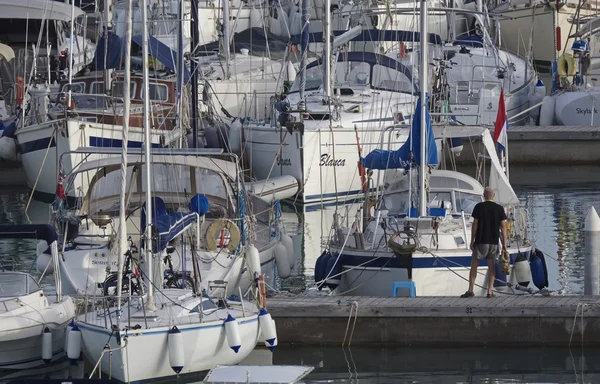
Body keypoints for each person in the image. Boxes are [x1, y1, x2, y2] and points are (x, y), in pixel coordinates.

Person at [460, 187, 507, 298]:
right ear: (493, 196)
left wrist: (472, 240)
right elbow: (503, 226)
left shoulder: (479, 207)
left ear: (484, 196)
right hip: (494, 242)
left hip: (481, 240)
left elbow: (475, 224)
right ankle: (490, 292)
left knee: (474, 265)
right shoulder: (499, 208)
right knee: (491, 267)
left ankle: (471, 290)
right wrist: (504, 243)